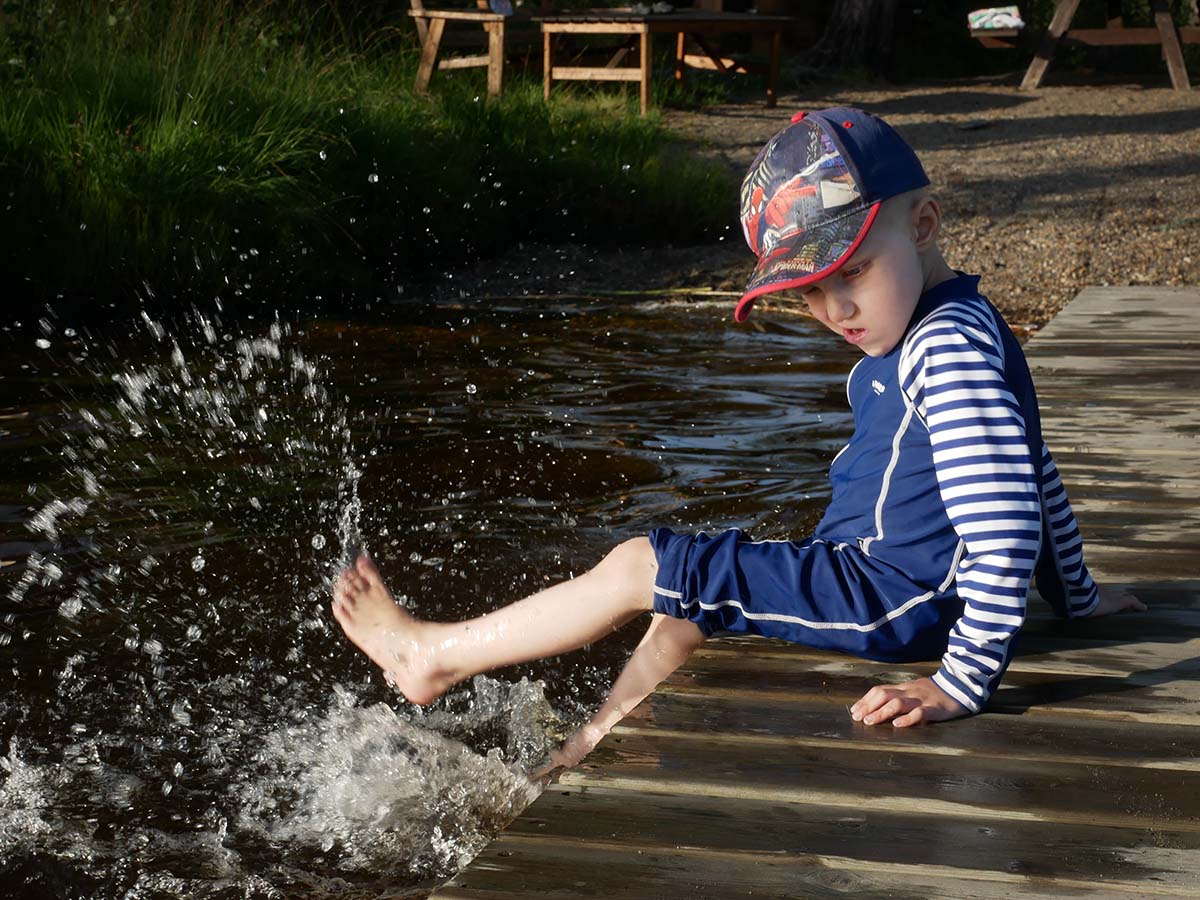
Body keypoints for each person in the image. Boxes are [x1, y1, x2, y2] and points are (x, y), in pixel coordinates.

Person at [331, 106, 1145, 774]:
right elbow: (1034, 467)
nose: (835, 311)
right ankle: (579, 755)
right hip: (876, 576)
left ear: (924, 223)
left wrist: (959, 685)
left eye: (852, 272)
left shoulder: (947, 348)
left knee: (640, 565)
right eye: (811, 292)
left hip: (898, 599)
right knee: (681, 611)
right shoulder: (935, 330)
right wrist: (1077, 597)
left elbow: (1006, 521)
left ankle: (435, 655)